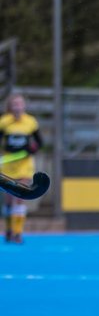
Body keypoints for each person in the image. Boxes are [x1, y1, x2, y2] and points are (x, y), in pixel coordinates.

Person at [0, 93, 42, 244]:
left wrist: (31, 150)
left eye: (20, 104)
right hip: (8, 166)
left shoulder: (30, 122)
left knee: (20, 198)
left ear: (24, 106)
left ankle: (18, 233)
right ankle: (9, 230)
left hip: (24, 166)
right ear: (10, 107)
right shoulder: (4, 122)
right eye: (14, 104)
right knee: (9, 200)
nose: (17, 107)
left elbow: (39, 142)